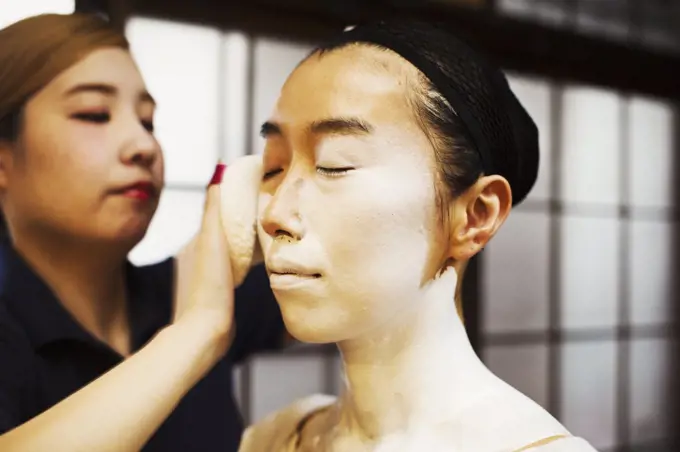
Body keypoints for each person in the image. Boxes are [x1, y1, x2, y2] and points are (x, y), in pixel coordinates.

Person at [239, 19, 599, 451]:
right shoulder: (277, 437)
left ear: (474, 216)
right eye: (273, 169)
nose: (275, 212)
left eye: (335, 164)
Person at [0, 13, 284, 451]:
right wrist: (198, 331)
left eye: (148, 121)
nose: (144, 146)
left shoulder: (185, 287)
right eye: (94, 114)